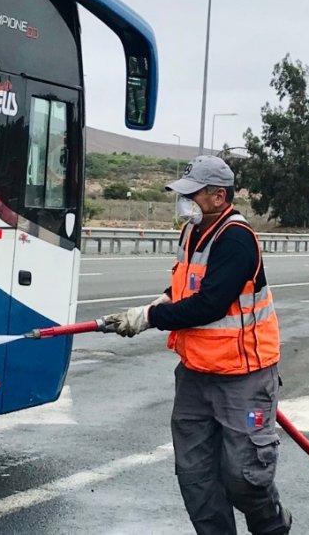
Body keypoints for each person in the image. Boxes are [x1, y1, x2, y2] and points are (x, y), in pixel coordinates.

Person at [106, 155, 292, 535]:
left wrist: (149, 318)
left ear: (219, 197)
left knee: (244, 476)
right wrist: (161, 301)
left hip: (243, 377)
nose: (185, 201)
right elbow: (185, 287)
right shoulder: (192, 233)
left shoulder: (236, 239)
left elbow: (209, 304)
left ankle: (272, 527)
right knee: (196, 478)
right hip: (195, 375)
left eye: (193, 194)